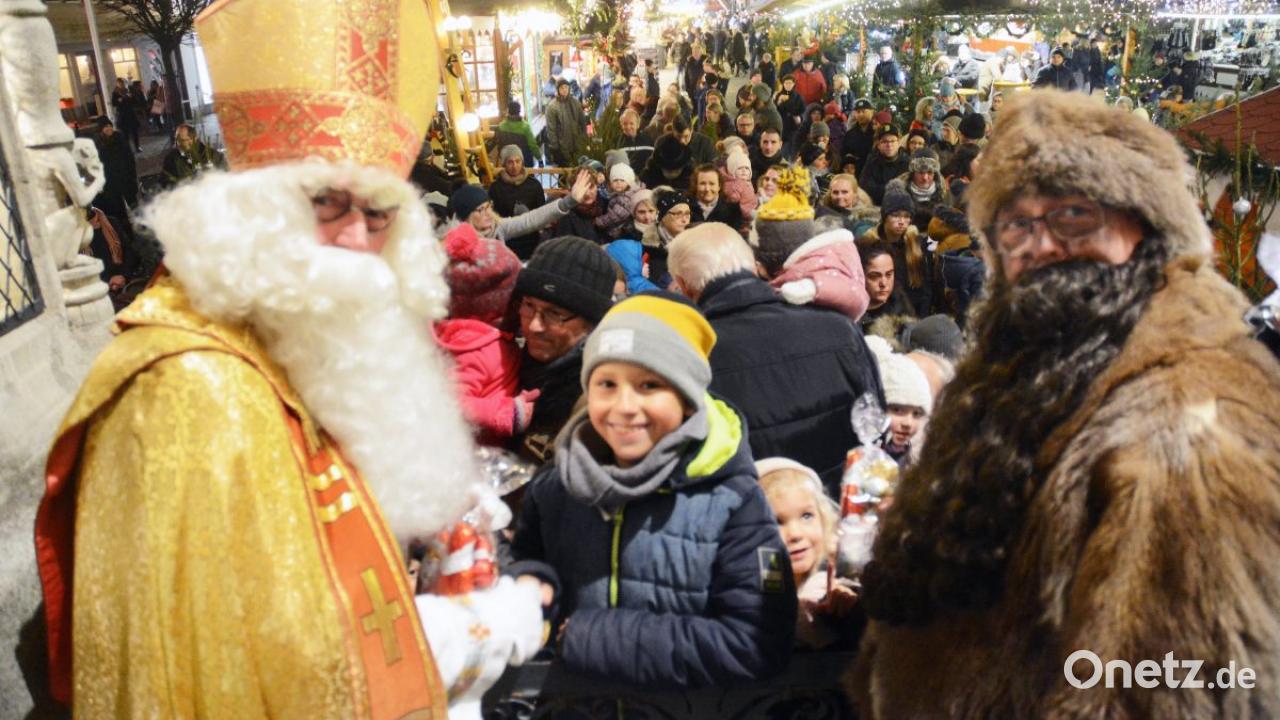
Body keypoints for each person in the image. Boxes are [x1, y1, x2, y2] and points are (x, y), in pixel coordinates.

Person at [35, 1, 506, 713]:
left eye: (378, 214)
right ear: (249, 211)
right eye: (326, 203)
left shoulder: (310, 349)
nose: (354, 239)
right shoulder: (186, 388)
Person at [852, 90, 1280, 719]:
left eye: (1074, 217)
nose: (1039, 247)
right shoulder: (1028, 362)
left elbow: (1171, 686)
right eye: (1016, 225)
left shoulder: (1192, 414)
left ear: (1147, 229)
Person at [507, 293, 798, 688]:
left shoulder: (733, 502)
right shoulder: (558, 486)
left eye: (649, 385)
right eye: (607, 384)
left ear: (687, 400)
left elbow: (755, 642)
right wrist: (533, 583)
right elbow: (526, 558)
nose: (624, 406)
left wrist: (595, 637)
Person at [669, 221, 884, 494]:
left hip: (750, 518)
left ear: (684, 287)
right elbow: (877, 421)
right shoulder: (838, 327)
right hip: (840, 510)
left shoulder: (690, 356)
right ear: (752, 265)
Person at [510, 236, 618, 463]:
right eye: (529, 305)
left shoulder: (594, 401)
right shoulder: (508, 362)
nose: (534, 326)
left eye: (554, 313)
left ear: (591, 322)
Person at [434, 223, 538, 446]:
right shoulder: (473, 347)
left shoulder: (486, 335)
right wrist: (506, 413)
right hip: (481, 453)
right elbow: (449, 402)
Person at [757, 458, 861, 651]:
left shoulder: (836, 580)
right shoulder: (747, 594)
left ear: (823, 519)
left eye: (807, 516)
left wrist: (848, 610)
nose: (796, 534)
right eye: (776, 521)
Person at [450, 169, 593, 260]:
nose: (488, 214)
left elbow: (530, 220)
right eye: (481, 210)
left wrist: (569, 201)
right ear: (466, 217)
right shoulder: (456, 247)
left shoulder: (497, 228)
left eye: (489, 207)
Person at [860, 185, 932, 316]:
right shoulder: (869, 244)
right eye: (896, 215)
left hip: (912, 313)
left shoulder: (917, 245)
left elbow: (925, 289)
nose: (902, 222)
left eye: (906, 216)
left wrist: (921, 317)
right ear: (885, 217)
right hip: (877, 312)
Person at [864, 336, 932, 468]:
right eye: (897, 410)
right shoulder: (860, 458)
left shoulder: (915, 461)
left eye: (917, 413)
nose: (908, 423)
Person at [489, 144, 548, 257]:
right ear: (504, 164)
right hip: (508, 241)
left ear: (522, 162)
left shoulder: (534, 185)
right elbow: (494, 215)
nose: (514, 166)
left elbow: (541, 212)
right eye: (510, 162)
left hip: (531, 239)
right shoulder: (496, 188)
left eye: (517, 161)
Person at [857, 240, 915, 332]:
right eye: (874, 276)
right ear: (859, 275)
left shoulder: (903, 310)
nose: (883, 283)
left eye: (889, 275)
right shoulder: (849, 316)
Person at [887, 148, 951, 231]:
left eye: (930, 172)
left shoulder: (945, 194)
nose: (925, 178)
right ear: (913, 173)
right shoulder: (897, 193)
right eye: (920, 172)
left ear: (935, 174)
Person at [92, 117, 138, 223]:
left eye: (110, 125)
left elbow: (130, 159)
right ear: (100, 130)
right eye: (105, 127)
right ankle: (127, 234)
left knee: (135, 207)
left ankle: (144, 229)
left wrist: (133, 177)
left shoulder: (120, 138)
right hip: (111, 184)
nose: (109, 128)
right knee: (119, 212)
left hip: (126, 179)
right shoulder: (97, 145)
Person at [161, 123, 227, 188]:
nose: (178, 144)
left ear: (194, 139)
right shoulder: (170, 159)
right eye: (177, 139)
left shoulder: (211, 155)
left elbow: (226, 174)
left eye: (182, 140)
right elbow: (165, 182)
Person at [859, 126, 909, 206]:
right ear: (878, 145)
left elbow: (907, 190)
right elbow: (866, 188)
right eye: (884, 141)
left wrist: (881, 188)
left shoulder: (907, 163)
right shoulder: (871, 163)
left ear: (899, 143)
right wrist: (893, 187)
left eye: (892, 141)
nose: (889, 145)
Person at [816, 173, 879, 237]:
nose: (839, 196)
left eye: (845, 192)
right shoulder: (820, 214)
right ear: (830, 194)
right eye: (835, 192)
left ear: (855, 194)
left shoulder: (865, 221)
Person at [688, 163, 745, 232]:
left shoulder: (733, 210)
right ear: (696, 185)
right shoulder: (686, 207)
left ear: (719, 186)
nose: (707, 189)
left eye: (712, 184)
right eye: (702, 183)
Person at [545, 79, 587, 166]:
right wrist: (555, 147)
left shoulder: (575, 103)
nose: (564, 90)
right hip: (562, 147)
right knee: (564, 173)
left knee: (577, 169)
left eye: (566, 87)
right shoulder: (552, 107)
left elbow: (582, 122)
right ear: (558, 90)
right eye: (562, 88)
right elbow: (551, 129)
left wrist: (583, 138)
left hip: (576, 144)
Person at [495, 101, 541, 165]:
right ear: (519, 111)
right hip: (524, 162)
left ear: (508, 111)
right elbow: (532, 145)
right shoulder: (525, 127)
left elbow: (499, 145)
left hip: (507, 162)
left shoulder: (501, 126)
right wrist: (539, 158)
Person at [841, 98, 877, 178]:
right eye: (858, 112)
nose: (861, 114)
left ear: (871, 112)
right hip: (855, 174)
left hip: (874, 173)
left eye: (864, 111)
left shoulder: (877, 132)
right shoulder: (850, 134)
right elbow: (844, 154)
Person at [109, 77, 142, 152]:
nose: (121, 85)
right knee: (125, 133)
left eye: (122, 83)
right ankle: (127, 148)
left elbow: (136, 101)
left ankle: (137, 146)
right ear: (117, 84)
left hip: (131, 114)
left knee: (134, 132)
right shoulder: (115, 93)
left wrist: (131, 97)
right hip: (122, 115)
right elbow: (114, 103)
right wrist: (119, 101)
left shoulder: (129, 90)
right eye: (119, 83)